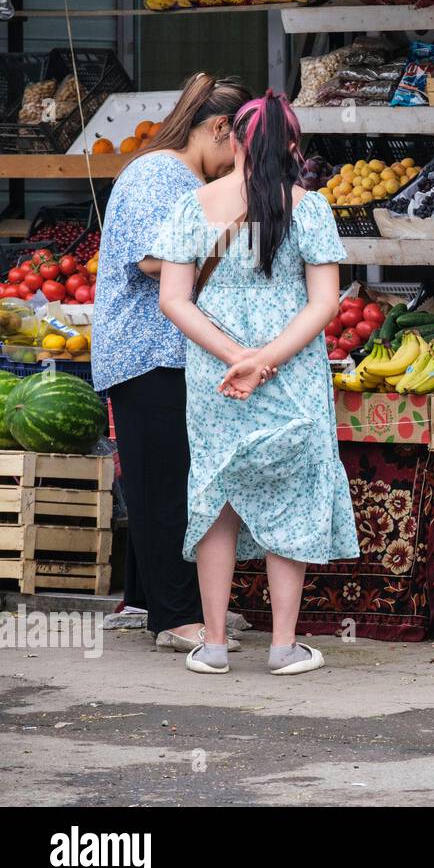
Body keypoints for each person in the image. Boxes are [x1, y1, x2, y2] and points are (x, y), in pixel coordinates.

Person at [154, 91, 359, 676]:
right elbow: (324, 304)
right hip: (290, 372)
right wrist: (266, 359)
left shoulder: (192, 205)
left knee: (218, 493)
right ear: (293, 146)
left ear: (236, 140)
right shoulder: (310, 209)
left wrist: (233, 356)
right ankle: (283, 645)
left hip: (215, 375)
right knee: (289, 492)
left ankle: (213, 643)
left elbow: (174, 299)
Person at [93, 72, 252, 654]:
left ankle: (147, 598)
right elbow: (157, 260)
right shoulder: (161, 173)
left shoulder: (167, 172)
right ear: (217, 129)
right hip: (148, 350)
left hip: (157, 351)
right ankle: (177, 617)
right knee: (168, 486)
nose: (238, 164)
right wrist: (238, 233)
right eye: (237, 146)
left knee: (155, 477)